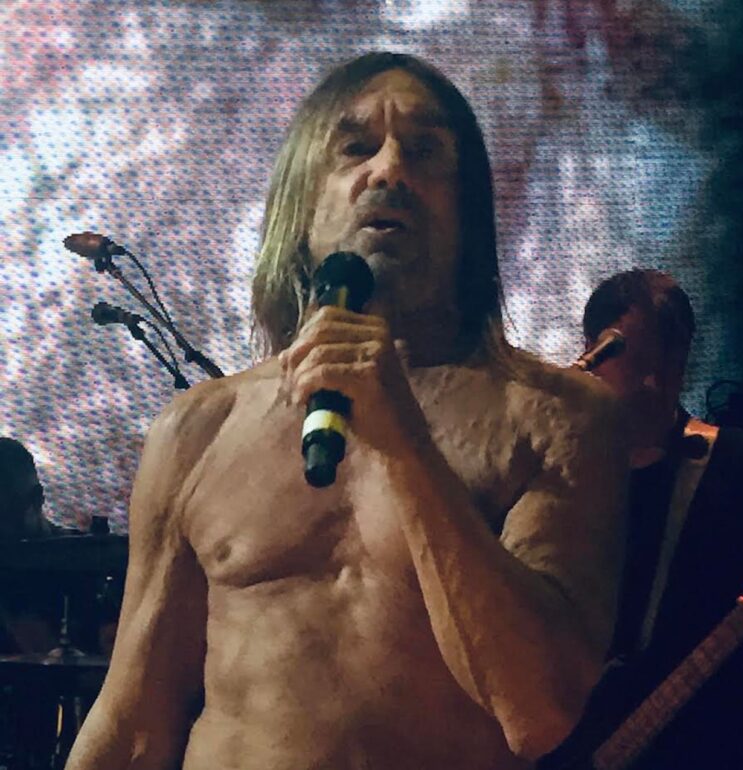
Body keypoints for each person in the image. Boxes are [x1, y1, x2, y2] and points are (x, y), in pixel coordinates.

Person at [66, 52, 627, 770]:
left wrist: (404, 445)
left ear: (469, 214)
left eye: (426, 152)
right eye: (356, 148)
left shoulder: (556, 419)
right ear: (302, 204)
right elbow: (132, 725)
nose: (389, 171)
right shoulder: (199, 429)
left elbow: (537, 711)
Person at [542, 269, 743, 769]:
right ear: (592, 355)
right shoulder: (554, 475)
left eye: (671, 360)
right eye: (639, 360)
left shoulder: (740, 465)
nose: (655, 381)